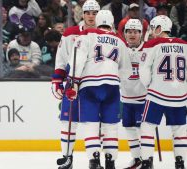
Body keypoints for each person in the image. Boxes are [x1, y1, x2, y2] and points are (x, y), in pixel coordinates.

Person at [66, 10, 132, 169]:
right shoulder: (119, 40)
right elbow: (126, 70)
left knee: (91, 124)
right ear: (112, 23)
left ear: (97, 21)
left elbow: (77, 61)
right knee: (110, 126)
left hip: (90, 86)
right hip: (112, 86)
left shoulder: (86, 35)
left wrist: (73, 83)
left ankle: (94, 160)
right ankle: (110, 161)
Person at [51, 1, 100, 168]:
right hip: (73, 84)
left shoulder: (105, 34)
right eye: (88, 13)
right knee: (67, 121)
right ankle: (67, 157)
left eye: (94, 13)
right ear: (82, 14)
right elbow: (62, 59)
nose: (91, 16)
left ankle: (95, 159)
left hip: (94, 84)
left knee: (92, 124)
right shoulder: (70, 33)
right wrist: (57, 79)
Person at [139, 15, 187, 169]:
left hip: (157, 94)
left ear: (160, 28)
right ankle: (180, 163)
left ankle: (146, 161)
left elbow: (144, 70)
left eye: (153, 28)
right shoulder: (185, 44)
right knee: (179, 130)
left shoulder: (153, 44)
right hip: (180, 95)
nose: (152, 32)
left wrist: (149, 86)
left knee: (147, 126)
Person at [121, 19, 147, 169]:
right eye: (129, 31)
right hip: (126, 99)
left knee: (142, 131)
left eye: (135, 32)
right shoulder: (121, 49)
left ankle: (146, 159)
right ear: (125, 33)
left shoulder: (147, 50)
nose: (132, 34)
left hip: (142, 100)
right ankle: (136, 158)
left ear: (140, 34)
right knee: (129, 128)